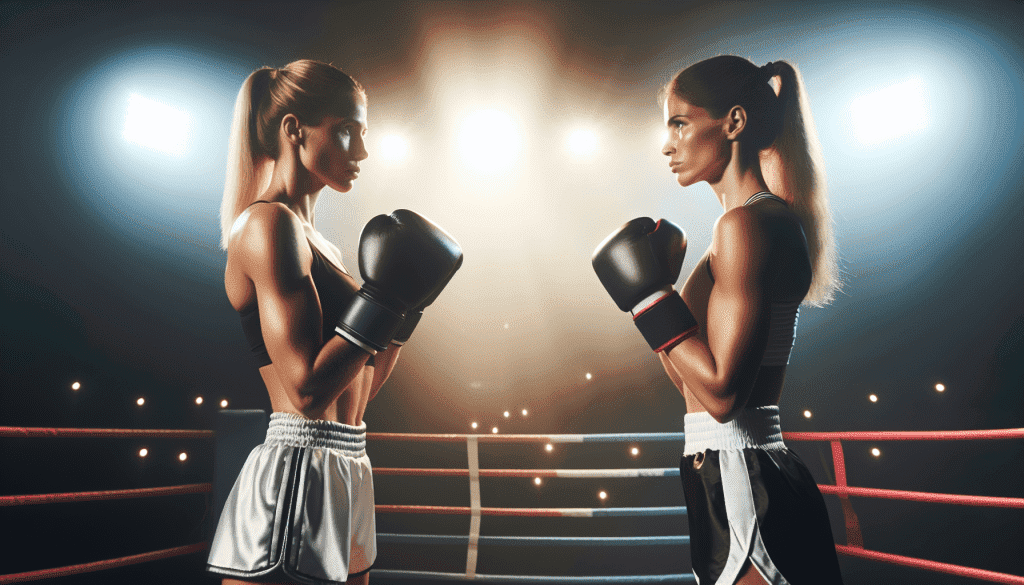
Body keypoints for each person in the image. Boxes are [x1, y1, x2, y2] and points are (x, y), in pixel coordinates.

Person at [208, 59, 462, 585]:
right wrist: (383, 301)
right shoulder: (267, 224)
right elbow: (306, 393)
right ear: (294, 129)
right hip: (298, 465)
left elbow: (361, 389)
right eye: (347, 130)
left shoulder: (322, 245)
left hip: (348, 460)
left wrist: (404, 311)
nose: (362, 151)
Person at [592, 55, 844, 584]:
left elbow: (724, 398)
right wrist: (654, 303)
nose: (667, 145)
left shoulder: (745, 227)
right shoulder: (754, 224)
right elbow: (692, 385)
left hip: (741, 473)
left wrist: (649, 298)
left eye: (680, 123)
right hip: (731, 468)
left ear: (733, 122)